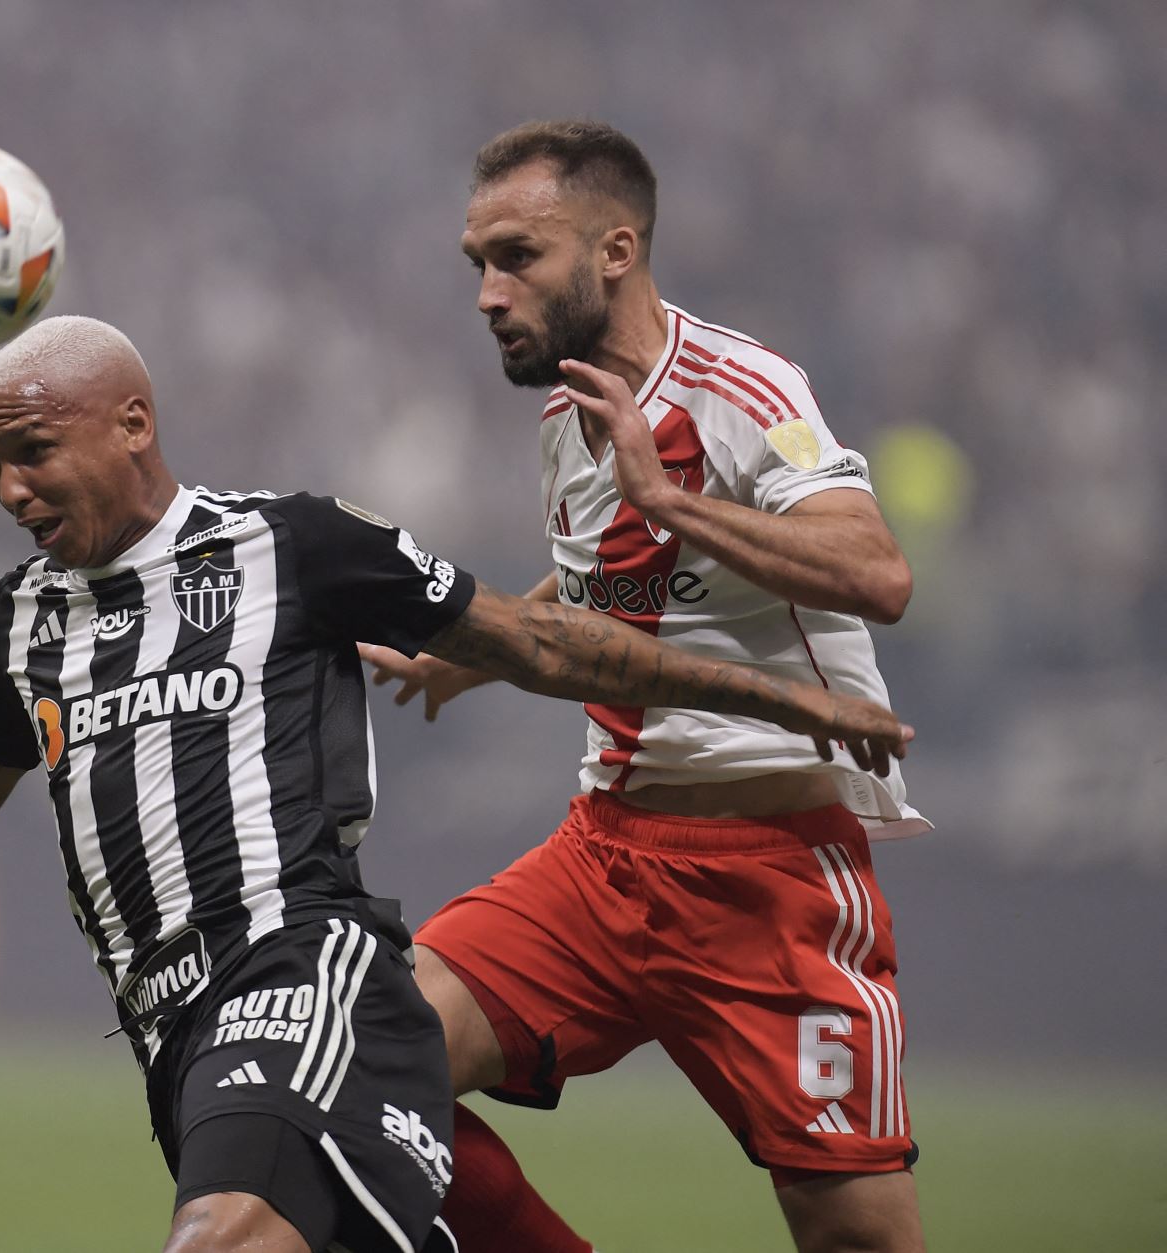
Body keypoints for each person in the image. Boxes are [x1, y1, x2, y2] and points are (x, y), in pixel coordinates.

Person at [0, 316, 911, 1253]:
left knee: (227, 1240)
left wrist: (785, 696)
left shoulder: (295, 546)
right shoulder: (23, 619)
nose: (12, 490)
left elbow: (544, 637)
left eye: (34, 453)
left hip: (297, 977)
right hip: (174, 1043)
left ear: (132, 424)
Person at [364, 122, 931, 1253]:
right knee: (364, 1064)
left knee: (859, 1237)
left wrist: (672, 498)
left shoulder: (740, 387)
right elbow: (600, 575)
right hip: (603, 859)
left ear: (614, 250)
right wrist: (468, 652)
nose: (487, 292)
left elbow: (879, 572)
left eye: (518, 255)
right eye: (477, 261)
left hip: (774, 881)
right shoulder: (565, 418)